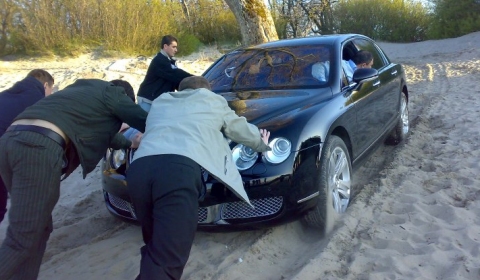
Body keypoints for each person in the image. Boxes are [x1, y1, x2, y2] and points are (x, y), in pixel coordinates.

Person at [0, 78, 147, 280]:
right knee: (22, 238)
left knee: (40, 227)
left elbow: (104, 135)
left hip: (9, 141)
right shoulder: (113, 93)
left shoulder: (80, 92)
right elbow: (145, 120)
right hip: (37, 148)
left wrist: (130, 144)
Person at [127, 76, 271, 280]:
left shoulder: (161, 102)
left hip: (139, 171)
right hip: (176, 174)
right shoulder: (212, 100)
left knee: (155, 245)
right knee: (167, 259)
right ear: (207, 91)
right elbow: (238, 128)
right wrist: (261, 142)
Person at [0, 69, 54, 225]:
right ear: (45, 85)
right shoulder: (38, 100)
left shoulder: (6, 94)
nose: (50, 94)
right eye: (51, 90)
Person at [136, 35, 193, 112]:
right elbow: (175, 74)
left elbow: (175, 81)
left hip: (160, 101)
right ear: (165, 46)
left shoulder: (170, 62)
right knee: (143, 123)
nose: (176, 50)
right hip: (148, 100)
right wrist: (195, 79)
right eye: (173, 47)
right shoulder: (159, 61)